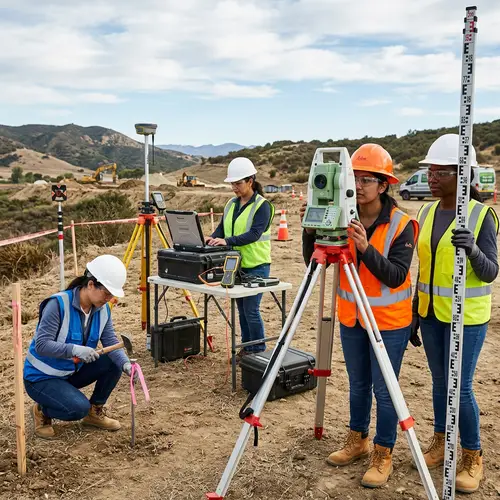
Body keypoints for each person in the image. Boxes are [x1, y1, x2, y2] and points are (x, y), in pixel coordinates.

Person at [301, 144, 418, 488]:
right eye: (356, 178)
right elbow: (313, 261)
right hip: (352, 318)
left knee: (385, 391)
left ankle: (383, 452)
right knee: (358, 385)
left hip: (389, 324)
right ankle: (358, 439)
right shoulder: (344, 217)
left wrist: (365, 248)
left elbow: (396, 275)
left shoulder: (402, 224)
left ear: (384, 186)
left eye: (368, 180)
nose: (360, 185)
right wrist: (311, 230)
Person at [412, 133, 498, 494]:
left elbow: (491, 269)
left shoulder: (481, 215)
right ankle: (440, 440)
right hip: (431, 314)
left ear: (462, 175)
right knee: (438, 382)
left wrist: (473, 252)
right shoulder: (426, 211)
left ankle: (471, 455)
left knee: (459, 388)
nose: (431, 178)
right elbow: (425, 266)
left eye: (440, 172)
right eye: (430, 171)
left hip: (468, 318)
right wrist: (417, 312)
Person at [24, 254, 138, 439]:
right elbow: (42, 345)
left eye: (112, 295)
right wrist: (74, 349)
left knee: (112, 362)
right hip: (41, 378)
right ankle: (42, 410)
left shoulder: (102, 310)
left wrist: (125, 365)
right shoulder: (58, 305)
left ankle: (94, 412)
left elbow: (110, 341)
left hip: (69, 373)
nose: (109, 299)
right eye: (107, 293)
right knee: (77, 409)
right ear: (91, 284)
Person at [206, 157, 275, 357]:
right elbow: (222, 228)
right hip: (235, 265)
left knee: (251, 310)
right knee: (242, 310)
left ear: (250, 181)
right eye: (232, 184)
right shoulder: (231, 204)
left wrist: (227, 241)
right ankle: (247, 348)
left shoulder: (263, 206)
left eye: (238, 183)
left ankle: (258, 350)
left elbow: (254, 234)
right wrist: (212, 238)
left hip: (257, 265)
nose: (234, 188)